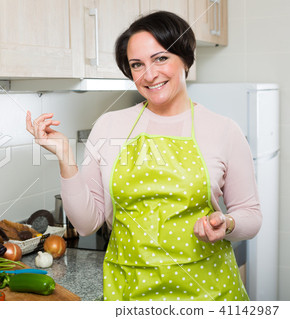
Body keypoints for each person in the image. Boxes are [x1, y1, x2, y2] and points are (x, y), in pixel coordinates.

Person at [26, 11, 261, 301]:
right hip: (129, 291)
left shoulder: (223, 129)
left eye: (161, 58)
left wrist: (227, 224)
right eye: (137, 65)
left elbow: (250, 215)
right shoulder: (109, 126)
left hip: (208, 293)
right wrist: (64, 155)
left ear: (185, 58)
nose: (149, 75)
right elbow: (87, 224)